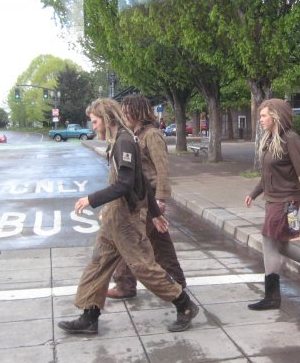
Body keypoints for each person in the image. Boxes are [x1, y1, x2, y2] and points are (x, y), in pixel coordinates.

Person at [57, 98, 198, 334]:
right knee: (99, 263)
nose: (93, 127)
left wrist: (91, 199)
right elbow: (140, 179)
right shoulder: (120, 140)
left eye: (94, 121)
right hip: (114, 217)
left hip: (124, 220)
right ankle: (89, 315)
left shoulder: (124, 141)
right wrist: (154, 213)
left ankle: (184, 305)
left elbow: (125, 184)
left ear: (106, 118)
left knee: (143, 266)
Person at [244, 98, 300, 310]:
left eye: (264, 116)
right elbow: (268, 174)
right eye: (261, 117)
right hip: (274, 200)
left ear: (276, 116)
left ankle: (272, 297)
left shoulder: (290, 139)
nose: (261, 120)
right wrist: (254, 193)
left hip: (286, 201)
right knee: (281, 244)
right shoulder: (270, 139)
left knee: (269, 242)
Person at [106, 94, 187, 299]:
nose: (124, 114)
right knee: (155, 244)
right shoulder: (133, 135)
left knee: (135, 242)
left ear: (138, 111)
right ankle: (175, 283)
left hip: (148, 197)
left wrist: (160, 199)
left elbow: (162, 168)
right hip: (139, 198)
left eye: (127, 110)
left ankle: (128, 285)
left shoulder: (151, 135)